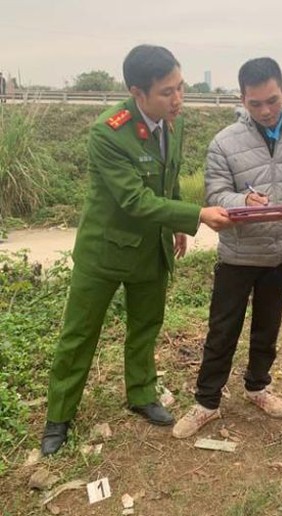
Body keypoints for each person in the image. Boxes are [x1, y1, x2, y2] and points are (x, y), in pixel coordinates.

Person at [40, 45, 232, 456]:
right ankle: (59, 415)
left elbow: (168, 178)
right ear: (137, 93)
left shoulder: (173, 123)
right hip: (105, 253)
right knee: (79, 334)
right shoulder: (108, 133)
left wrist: (176, 225)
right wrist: (195, 214)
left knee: (146, 326)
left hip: (151, 250)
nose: (177, 99)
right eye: (167, 92)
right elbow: (134, 200)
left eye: (180, 87)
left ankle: (142, 393)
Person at [172, 57, 282, 439]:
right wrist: (242, 201)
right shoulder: (224, 143)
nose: (266, 111)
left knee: (267, 328)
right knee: (222, 330)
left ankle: (258, 386)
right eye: (255, 103)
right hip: (238, 256)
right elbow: (216, 194)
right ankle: (207, 402)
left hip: (281, 255)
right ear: (242, 99)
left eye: (272, 100)